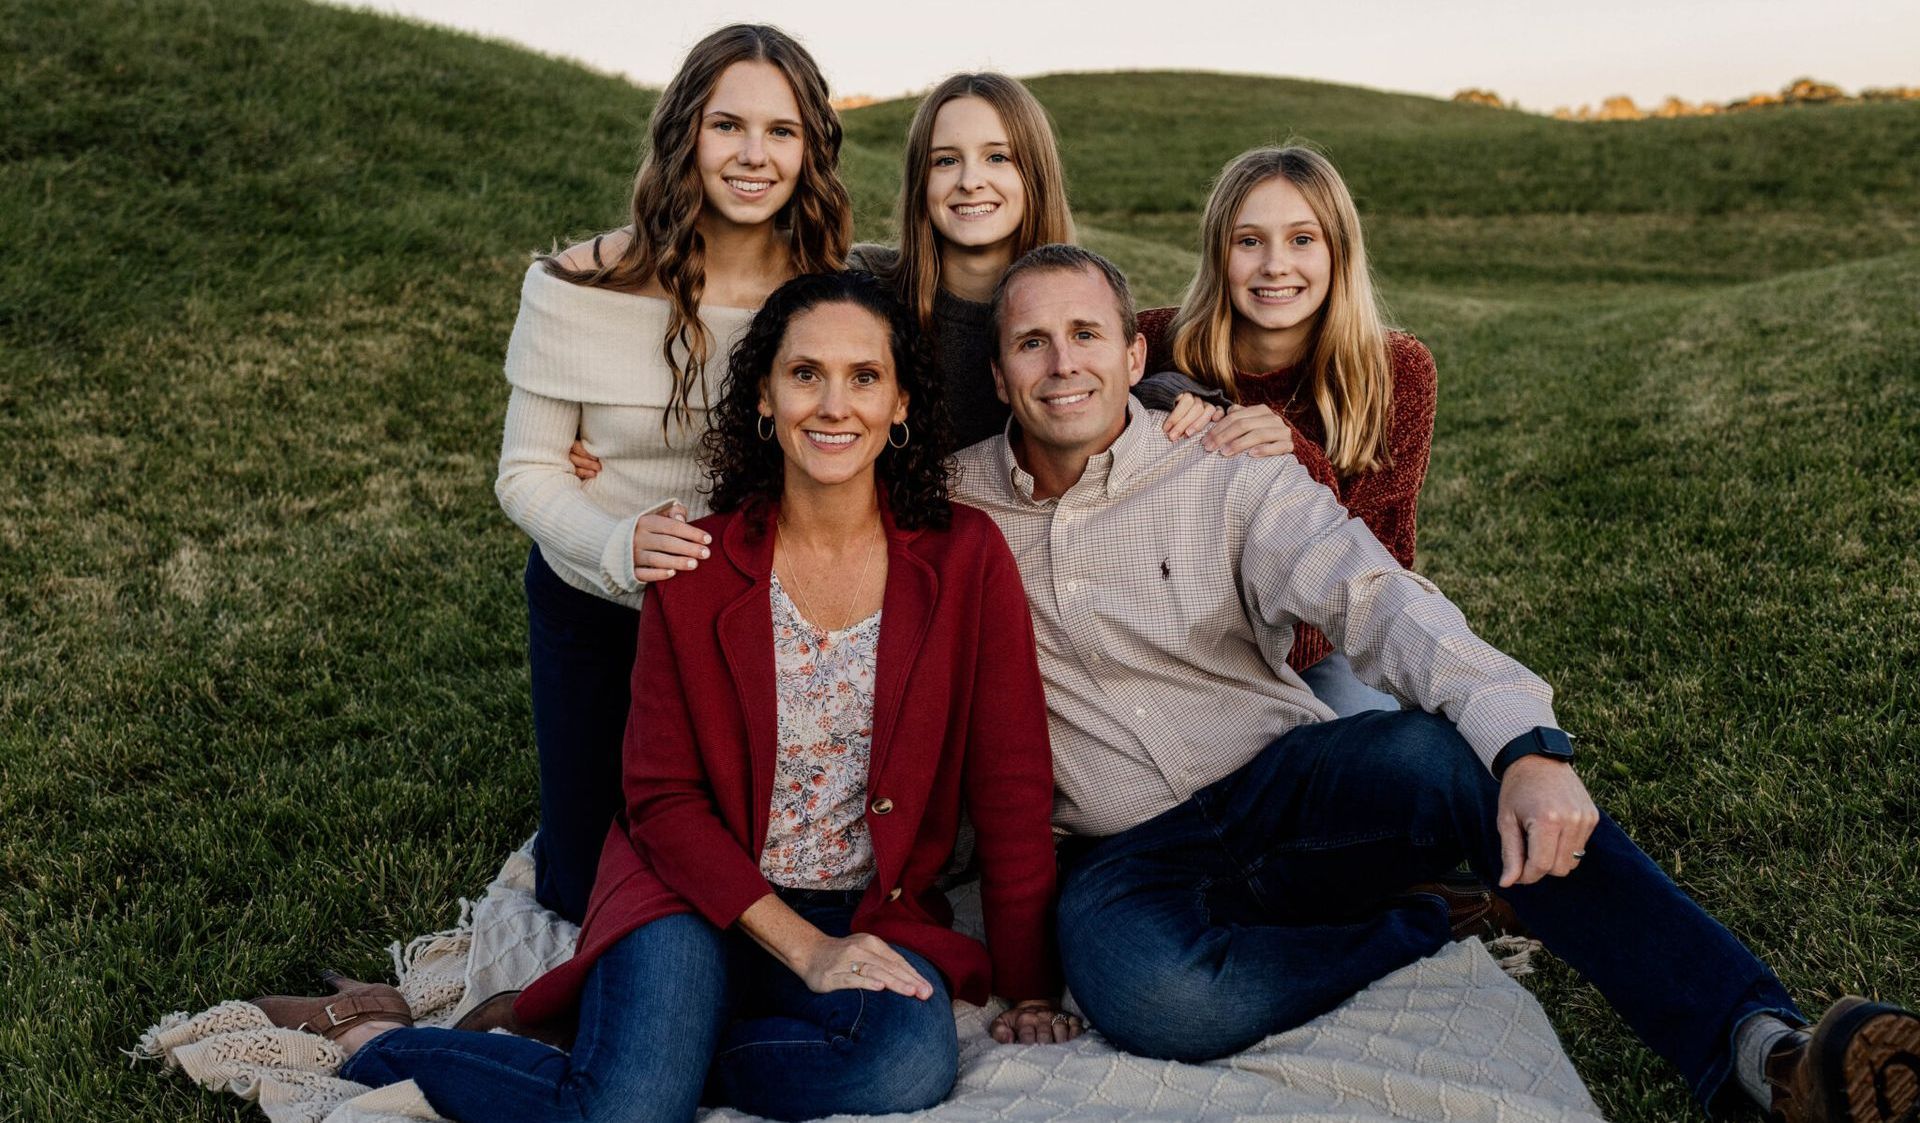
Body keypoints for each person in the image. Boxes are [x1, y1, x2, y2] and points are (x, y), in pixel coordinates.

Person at [949, 243, 1919, 1123]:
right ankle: (1417, 918)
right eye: (1032, 342)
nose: (1062, 361)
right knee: (1155, 996)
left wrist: (1526, 744)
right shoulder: (950, 504)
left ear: (1131, 356)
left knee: (1443, 758)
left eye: (1085, 334)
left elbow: (1375, 593)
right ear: (998, 374)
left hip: (1285, 786)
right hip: (1125, 855)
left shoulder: (1220, 462)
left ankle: (1765, 1051)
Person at [249, 271, 1078, 1123]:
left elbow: (1011, 780)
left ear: (901, 403)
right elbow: (662, 799)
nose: (835, 404)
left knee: (903, 1065)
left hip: (860, 904)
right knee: (626, 1115)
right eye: (805, 374)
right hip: (690, 891)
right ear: (765, 394)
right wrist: (809, 952)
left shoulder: (963, 557)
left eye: (864, 376)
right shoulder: (698, 563)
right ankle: (378, 1040)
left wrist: (1026, 986)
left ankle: (622, 1049)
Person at [496, 23, 852, 924]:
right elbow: (528, 473)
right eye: (728, 125)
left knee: (732, 892)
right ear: (686, 130)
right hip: (595, 603)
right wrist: (616, 539)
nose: (753, 155)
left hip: (753, 622)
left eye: (782, 132)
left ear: (810, 151)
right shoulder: (581, 284)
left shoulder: (826, 295)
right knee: (582, 896)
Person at [1134, 145, 1434, 718]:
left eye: (1302, 239)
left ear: (1338, 251)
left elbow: (1386, 556)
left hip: (1319, 648)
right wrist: (1161, 398)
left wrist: (1294, 452)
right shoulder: (1155, 344)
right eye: (1249, 241)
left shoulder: (1394, 370)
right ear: (1219, 253)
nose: (1275, 265)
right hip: (1182, 639)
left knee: (1368, 753)